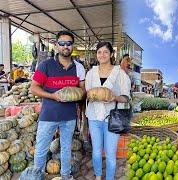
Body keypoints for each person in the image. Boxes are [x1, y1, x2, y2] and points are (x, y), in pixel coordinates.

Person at [30, 31, 85, 180]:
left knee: (66, 149)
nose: (65, 46)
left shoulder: (79, 68)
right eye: (62, 43)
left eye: (69, 43)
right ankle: (37, 177)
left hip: (69, 117)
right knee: (41, 149)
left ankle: (66, 176)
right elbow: (33, 88)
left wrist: (82, 100)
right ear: (56, 45)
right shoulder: (45, 65)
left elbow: (82, 91)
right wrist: (52, 96)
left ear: (72, 46)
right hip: (48, 116)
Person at [85, 41, 131, 180]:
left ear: (111, 54)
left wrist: (114, 98)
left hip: (113, 119)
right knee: (97, 152)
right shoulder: (91, 73)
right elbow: (88, 93)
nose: (102, 55)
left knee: (111, 154)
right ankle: (98, 177)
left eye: (105, 52)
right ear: (96, 55)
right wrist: (92, 96)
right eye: (99, 52)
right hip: (94, 117)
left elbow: (126, 98)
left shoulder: (120, 73)